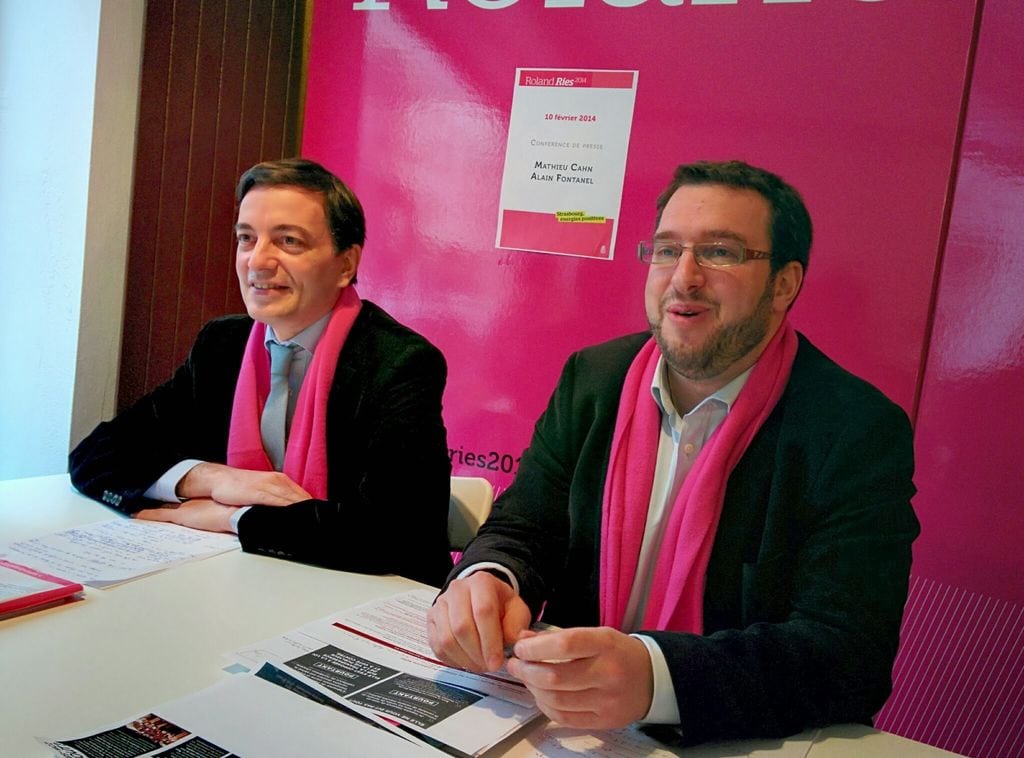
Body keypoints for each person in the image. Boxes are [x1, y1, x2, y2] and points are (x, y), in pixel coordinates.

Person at [427, 160, 920, 745]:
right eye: (666, 251)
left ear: (784, 284)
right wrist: (490, 578)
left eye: (721, 252)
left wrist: (657, 677)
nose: (684, 277)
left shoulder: (855, 429)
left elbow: (847, 653)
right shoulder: (594, 378)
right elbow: (524, 527)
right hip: (567, 730)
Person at [70, 158, 452, 586]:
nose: (258, 261)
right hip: (242, 586)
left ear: (346, 265)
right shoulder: (221, 345)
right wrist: (210, 478)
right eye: (246, 238)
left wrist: (232, 517)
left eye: (288, 241)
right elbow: (95, 454)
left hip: (358, 601)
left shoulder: (399, 362)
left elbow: (392, 536)